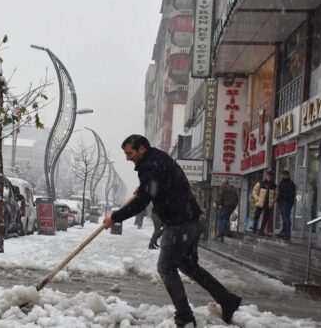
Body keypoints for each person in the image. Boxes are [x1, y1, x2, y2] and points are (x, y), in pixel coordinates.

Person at [103, 135, 241, 327]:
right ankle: (226, 300)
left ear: (141, 149)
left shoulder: (150, 166)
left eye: (129, 153)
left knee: (166, 268)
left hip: (179, 224)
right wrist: (145, 186)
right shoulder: (157, 158)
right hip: (192, 219)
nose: (128, 158)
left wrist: (115, 217)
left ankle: (185, 317)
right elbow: (154, 186)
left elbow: (143, 201)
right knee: (188, 265)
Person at [252, 171, 277, 236]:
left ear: (272, 177)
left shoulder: (274, 186)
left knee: (265, 218)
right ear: (266, 176)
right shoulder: (260, 183)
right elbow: (254, 191)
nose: (269, 178)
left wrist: (273, 201)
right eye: (268, 176)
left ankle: (261, 230)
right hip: (260, 203)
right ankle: (254, 228)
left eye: (270, 177)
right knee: (256, 216)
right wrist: (257, 198)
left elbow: (276, 194)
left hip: (268, 204)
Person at [216, 178, 239, 243]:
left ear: (223, 182)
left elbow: (220, 196)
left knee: (221, 219)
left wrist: (219, 204)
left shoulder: (222, 187)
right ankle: (227, 232)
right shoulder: (233, 188)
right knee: (226, 218)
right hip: (231, 207)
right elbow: (236, 199)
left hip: (224, 206)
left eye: (221, 182)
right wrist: (233, 207)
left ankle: (221, 234)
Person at [277, 170, 296, 240]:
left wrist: (283, 197)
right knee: (284, 217)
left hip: (287, 202)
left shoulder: (290, 183)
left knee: (286, 217)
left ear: (286, 175)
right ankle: (284, 231)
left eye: (282, 175)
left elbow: (289, 194)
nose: (281, 176)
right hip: (282, 201)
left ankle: (287, 232)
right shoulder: (282, 182)